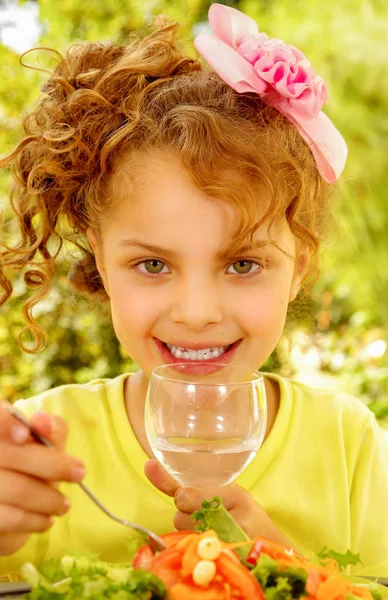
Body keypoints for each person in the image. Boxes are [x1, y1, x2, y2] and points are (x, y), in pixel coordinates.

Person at [0, 2, 387, 580]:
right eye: (153, 264)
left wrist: (284, 574)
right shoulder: (38, 453)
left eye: (244, 264)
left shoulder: (346, 442)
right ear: (101, 262)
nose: (198, 313)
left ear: (299, 268)